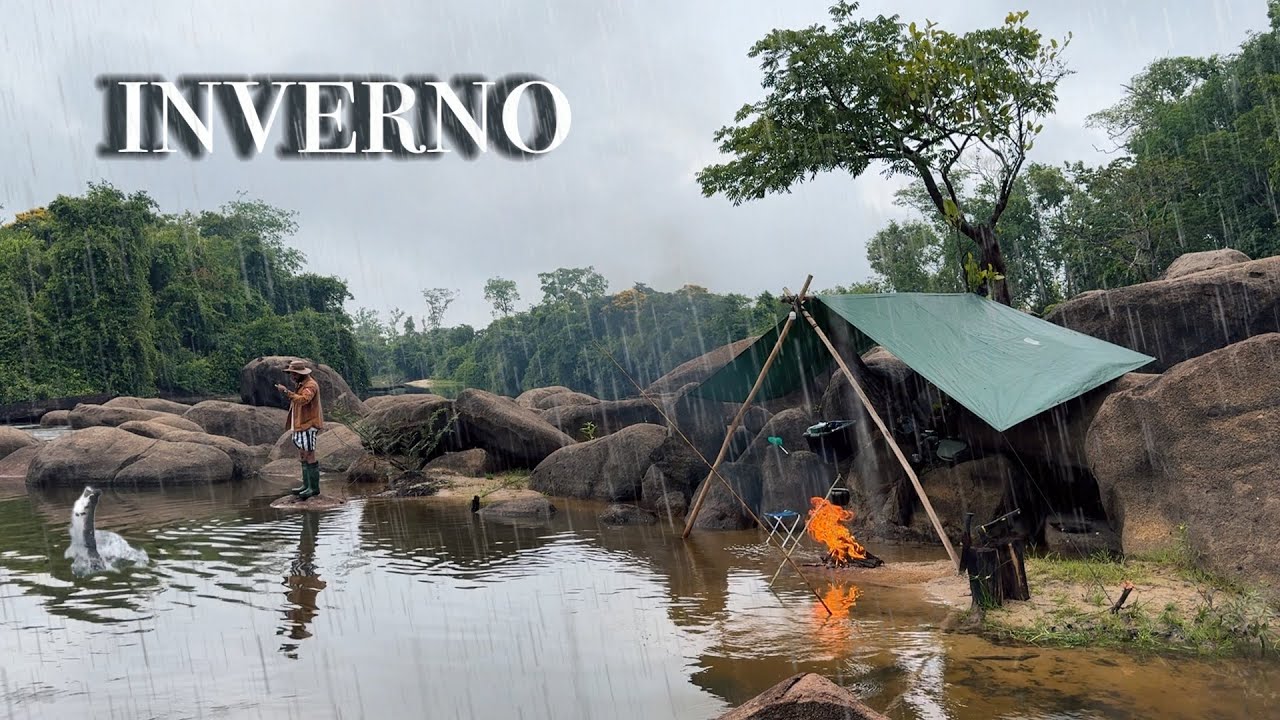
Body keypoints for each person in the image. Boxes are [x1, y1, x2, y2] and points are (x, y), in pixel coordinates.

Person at [276, 359, 324, 499]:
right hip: (300, 424)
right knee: (303, 453)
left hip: (308, 424)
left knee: (309, 454)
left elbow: (304, 400)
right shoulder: (301, 384)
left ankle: (313, 488)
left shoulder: (311, 385)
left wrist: (286, 392)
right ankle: (306, 485)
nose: (292, 376)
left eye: (294, 374)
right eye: (291, 373)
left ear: (300, 373)